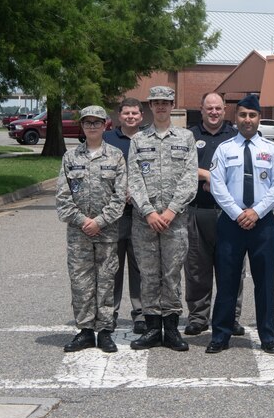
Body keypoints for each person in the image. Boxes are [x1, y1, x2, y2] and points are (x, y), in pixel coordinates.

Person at [207, 94, 274, 354]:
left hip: (263, 224)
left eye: (252, 115)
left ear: (259, 118)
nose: (247, 120)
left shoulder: (272, 149)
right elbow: (217, 185)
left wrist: (256, 212)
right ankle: (220, 334)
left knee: (265, 283)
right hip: (231, 223)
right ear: (236, 118)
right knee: (228, 281)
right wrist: (236, 212)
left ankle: (267, 336)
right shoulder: (225, 148)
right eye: (243, 115)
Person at [126, 85, 198, 351]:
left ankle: (171, 329)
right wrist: (148, 211)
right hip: (144, 221)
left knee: (171, 274)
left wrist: (169, 211)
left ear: (171, 105)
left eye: (165, 102)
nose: (160, 107)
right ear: (150, 105)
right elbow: (133, 179)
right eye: (156, 102)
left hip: (175, 220)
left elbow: (190, 179)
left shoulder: (186, 137)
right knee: (148, 274)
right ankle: (152, 327)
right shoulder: (138, 140)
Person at [56, 105, 128, 354]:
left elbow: (121, 197)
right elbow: (63, 199)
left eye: (97, 122)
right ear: (82, 126)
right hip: (79, 235)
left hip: (107, 233)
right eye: (88, 123)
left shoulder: (116, 156)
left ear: (105, 125)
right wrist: (83, 221)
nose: (92, 127)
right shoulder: (70, 158)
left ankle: (106, 331)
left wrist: (100, 221)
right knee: (81, 282)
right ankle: (85, 331)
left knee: (106, 281)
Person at [185, 92, 246, 337]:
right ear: (201, 109)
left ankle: (230, 316)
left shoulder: (236, 136)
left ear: (224, 110)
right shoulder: (189, 136)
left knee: (231, 267)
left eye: (218, 108)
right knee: (197, 268)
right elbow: (181, 166)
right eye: (209, 108)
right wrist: (207, 175)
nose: (213, 112)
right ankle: (198, 317)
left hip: (228, 213)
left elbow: (244, 171)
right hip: (197, 211)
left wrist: (219, 184)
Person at [102, 97, 147, 335]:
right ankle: (110, 313)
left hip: (141, 214)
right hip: (114, 215)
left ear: (141, 116)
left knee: (139, 267)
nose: (131, 117)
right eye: (126, 113)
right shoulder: (107, 139)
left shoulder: (147, 140)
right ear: (119, 116)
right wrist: (119, 193)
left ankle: (140, 314)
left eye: (135, 113)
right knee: (113, 267)